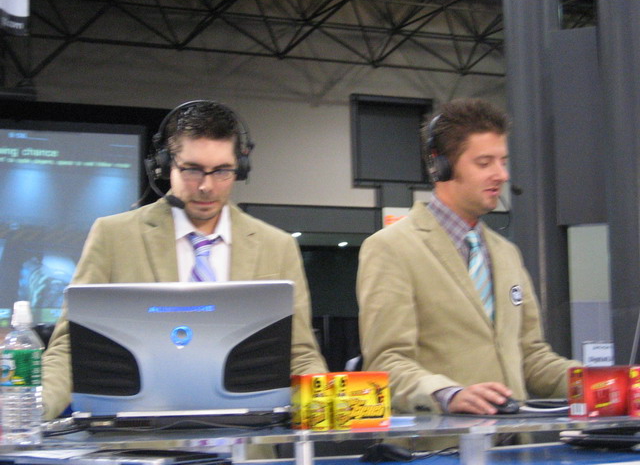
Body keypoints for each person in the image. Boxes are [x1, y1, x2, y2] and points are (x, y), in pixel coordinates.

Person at [42, 100, 327, 421]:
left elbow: (300, 354)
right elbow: (70, 348)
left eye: (222, 171)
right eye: (192, 170)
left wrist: (327, 408)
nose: (206, 186)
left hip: (247, 438)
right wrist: (33, 411)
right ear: (165, 166)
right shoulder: (113, 237)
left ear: (240, 168)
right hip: (136, 438)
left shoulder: (277, 246)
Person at [357, 98, 579, 420]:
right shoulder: (391, 248)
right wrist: (449, 394)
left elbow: (531, 358)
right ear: (441, 166)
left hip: (516, 440)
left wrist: (597, 381)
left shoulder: (507, 253)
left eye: (503, 162)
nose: (501, 174)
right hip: (443, 441)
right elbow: (386, 362)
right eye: (484, 163)